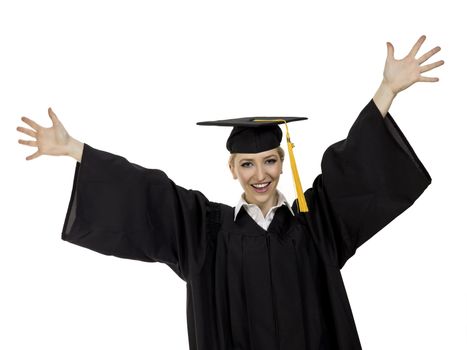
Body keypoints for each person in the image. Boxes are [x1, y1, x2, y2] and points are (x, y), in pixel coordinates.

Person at [17, 35, 443, 349]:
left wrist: (387, 90)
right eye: (248, 164)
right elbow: (147, 192)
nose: (261, 174)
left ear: (282, 160)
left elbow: (355, 167)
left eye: (271, 160)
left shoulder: (317, 225)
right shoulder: (205, 231)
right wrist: (75, 150)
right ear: (232, 168)